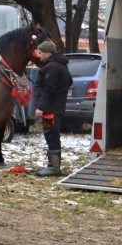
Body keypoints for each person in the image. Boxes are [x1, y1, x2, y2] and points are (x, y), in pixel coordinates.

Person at [33, 40, 72, 176]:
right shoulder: (61, 66)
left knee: (51, 135)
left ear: (48, 53)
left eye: (40, 53)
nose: (38, 56)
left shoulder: (52, 67)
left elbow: (48, 89)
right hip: (57, 107)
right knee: (51, 134)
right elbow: (69, 81)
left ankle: (54, 167)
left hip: (51, 109)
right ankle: (52, 165)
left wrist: (41, 107)